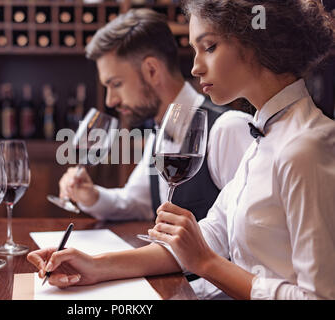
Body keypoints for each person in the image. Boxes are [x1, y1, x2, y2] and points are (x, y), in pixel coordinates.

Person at [28, 0, 335, 300]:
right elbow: (211, 235)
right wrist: (94, 266)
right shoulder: (264, 137)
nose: (195, 67)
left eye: (210, 47)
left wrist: (206, 263)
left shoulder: (305, 147)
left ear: (256, 41)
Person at [58, 8, 253, 222]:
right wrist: (92, 196)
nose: (110, 101)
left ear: (152, 70)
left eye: (116, 84)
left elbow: (247, 233)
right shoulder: (159, 133)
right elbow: (135, 202)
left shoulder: (228, 128)